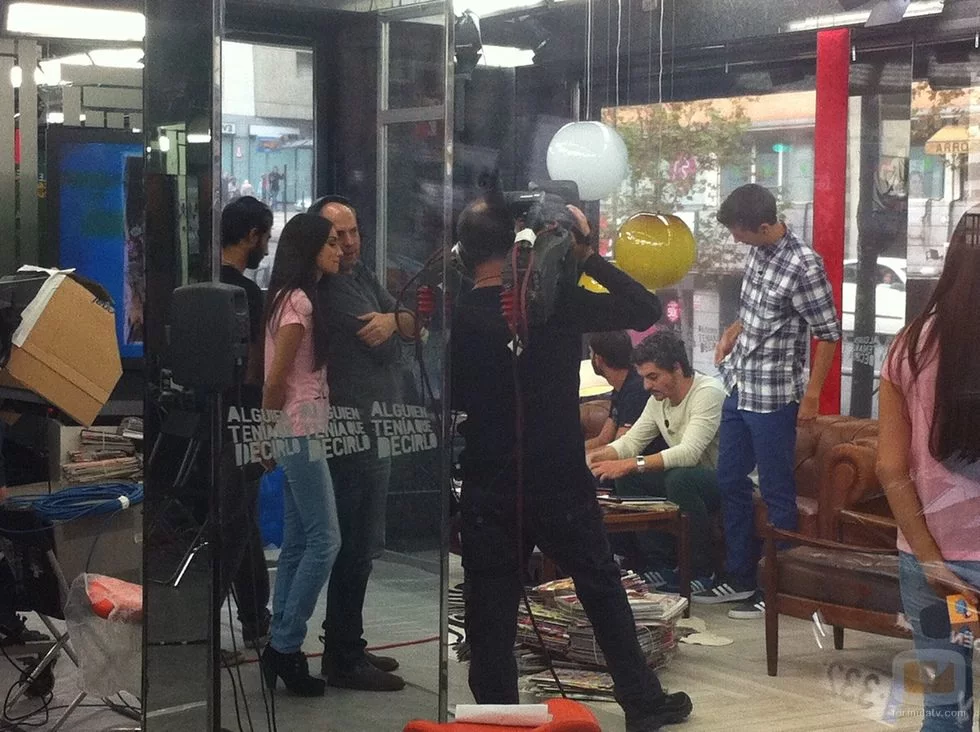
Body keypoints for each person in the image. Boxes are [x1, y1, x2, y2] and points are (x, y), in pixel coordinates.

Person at [451, 192, 692, 732]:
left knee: (489, 607)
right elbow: (644, 309)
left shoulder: (459, 315)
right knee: (600, 587)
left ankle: (499, 718)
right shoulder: (555, 304)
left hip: (489, 478)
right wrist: (586, 256)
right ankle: (642, 702)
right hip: (557, 477)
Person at [703, 183, 841, 620]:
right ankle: (740, 575)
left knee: (777, 490)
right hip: (741, 382)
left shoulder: (804, 265)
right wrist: (732, 331)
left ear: (764, 226)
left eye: (739, 232)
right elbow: (754, 311)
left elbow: (828, 333)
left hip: (776, 394)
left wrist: (812, 395)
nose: (734, 239)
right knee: (729, 479)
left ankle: (777, 588)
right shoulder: (757, 252)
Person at [877, 207, 980, 732]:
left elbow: (890, 467)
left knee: (944, 708)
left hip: (931, 566)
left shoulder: (911, 345)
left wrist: (932, 562)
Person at [309, 195, 416, 692]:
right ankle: (342, 655)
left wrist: (395, 320)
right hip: (351, 431)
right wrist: (397, 325)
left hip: (377, 427)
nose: (348, 244)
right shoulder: (329, 287)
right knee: (352, 545)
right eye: (337, 236)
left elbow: (409, 323)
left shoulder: (362, 275)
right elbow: (389, 344)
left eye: (353, 233)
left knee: (364, 545)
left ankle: (347, 641)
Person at [259, 213, 343, 696]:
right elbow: (275, 381)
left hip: (298, 427)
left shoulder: (286, 298)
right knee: (325, 541)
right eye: (330, 243)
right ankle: (286, 643)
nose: (339, 250)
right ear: (309, 249)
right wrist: (264, 435)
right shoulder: (299, 303)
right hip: (298, 428)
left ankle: (281, 643)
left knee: (297, 542)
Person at [588, 331, 724, 593]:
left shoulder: (708, 392)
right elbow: (630, 443)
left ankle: (701, 571)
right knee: (628, 477)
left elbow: (689, 453)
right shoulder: (657, 400)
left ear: (677, 368)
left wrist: (631, 463)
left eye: (653, 377)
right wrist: (592, 459)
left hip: (720, 478)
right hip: (684, 477)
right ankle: (660, 564)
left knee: (678, 478)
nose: (646, 386)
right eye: (644, 378)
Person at [218, 196, 274, 660]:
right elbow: (257, 368)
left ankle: (256, 619)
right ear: (251, 236)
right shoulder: (247, 295)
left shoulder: (199, 284)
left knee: (242, 521)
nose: (267, 247)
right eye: (265, 237)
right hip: (243, 418)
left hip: (205, 419)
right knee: (235, 524)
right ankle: (216, 626)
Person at [585, 330, 656, 451]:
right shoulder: (619, 388)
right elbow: (603, 439)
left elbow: (620, 446)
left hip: (642, 459)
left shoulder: (637, 389)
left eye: (591, 352)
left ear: (598, 359)